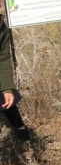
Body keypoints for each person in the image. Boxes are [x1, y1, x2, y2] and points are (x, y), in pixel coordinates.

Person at [0, 10, 32, 143]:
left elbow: (3, 58)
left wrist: (7, 89)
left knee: (8, 103)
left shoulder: (1, 27)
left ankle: (22, 134)